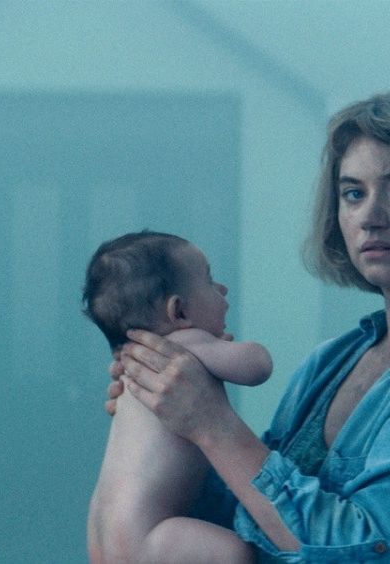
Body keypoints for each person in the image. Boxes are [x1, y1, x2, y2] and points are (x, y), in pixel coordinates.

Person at [107, 92, 390, 562]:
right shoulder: (329, 363)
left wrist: (213, 425)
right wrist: (161, 412)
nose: (370, 216)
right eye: (353, 193)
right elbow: (247, 518)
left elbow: (373, 549)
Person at [83, 231, 272, 563]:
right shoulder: (184, 344)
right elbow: (257, 367)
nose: (222, 289)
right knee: (236, 553)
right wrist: (225, 348)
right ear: (179, 312)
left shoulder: (134, 366)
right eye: (209, 281)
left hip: (104, 530)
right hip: (151, 535)